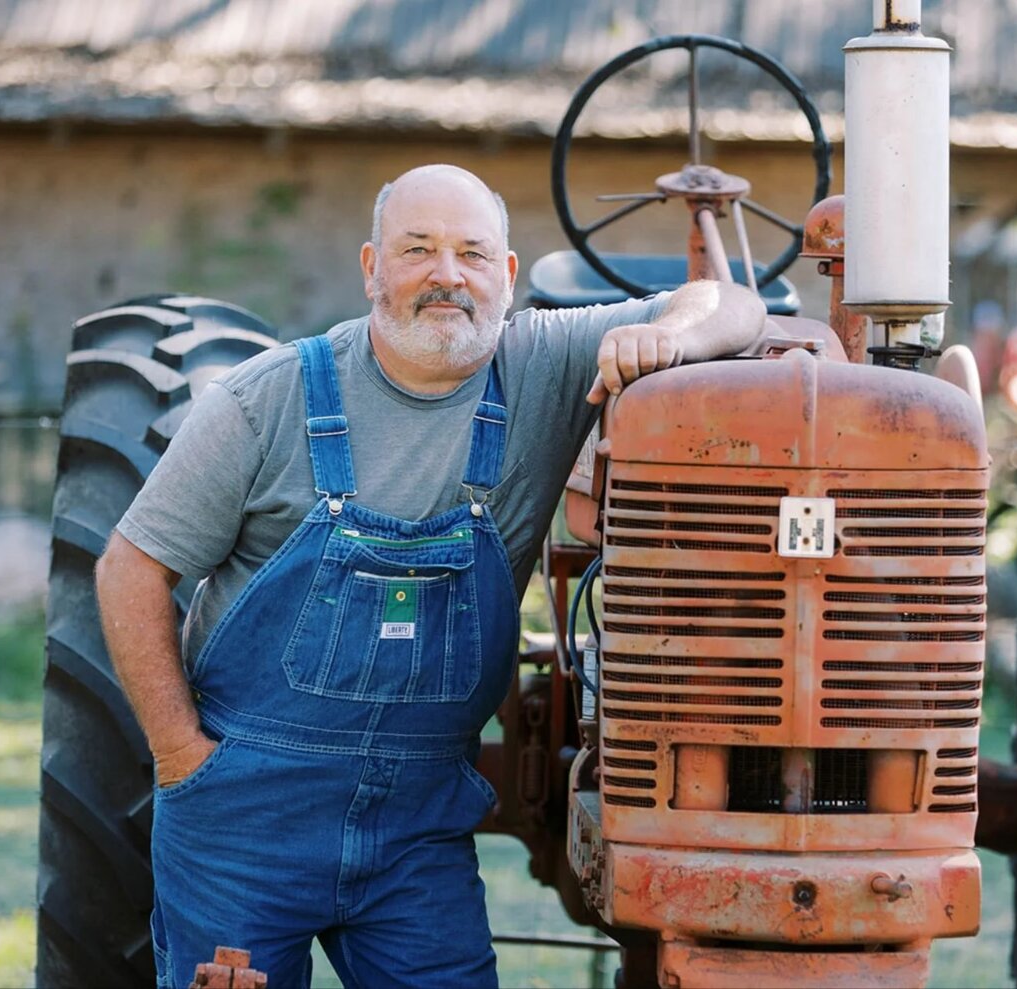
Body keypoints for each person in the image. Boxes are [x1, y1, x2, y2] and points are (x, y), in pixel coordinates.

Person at [94, 163, 766, 988]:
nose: (447, 275)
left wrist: (675, 336)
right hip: (243, 821)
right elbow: (129, 567)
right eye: (418, 250)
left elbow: (732, 303)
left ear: (508, 277)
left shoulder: (541, 365)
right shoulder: (264, 401)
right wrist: (177, 753)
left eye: (472, 254)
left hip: (417, 828)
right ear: (372, 267)